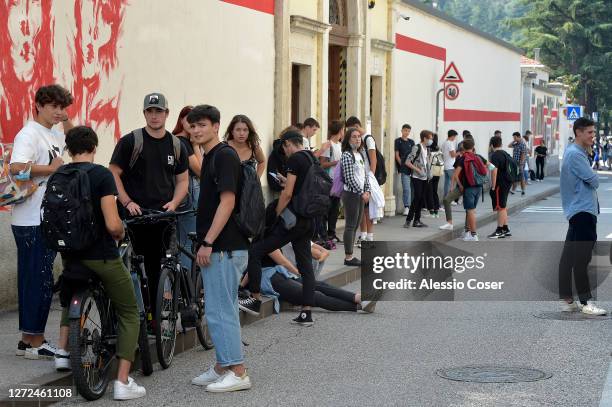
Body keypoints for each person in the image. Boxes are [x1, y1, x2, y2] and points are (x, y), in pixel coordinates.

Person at [55, 126, 145, 400]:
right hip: (101, 255)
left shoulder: (59, 174)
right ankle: (122, 382)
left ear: (69, 149)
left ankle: (62, 352)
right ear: (94, 147)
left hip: (70, 254)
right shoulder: (101, 175)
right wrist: (119, 233)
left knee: (72, 290)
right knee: (129, 312)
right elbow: (112, 223)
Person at [188, 104, 252, 392]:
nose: (197, 130)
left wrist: (208, 242)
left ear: (216, 126)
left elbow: (228, 202)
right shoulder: (212, 156)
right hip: (219, 247)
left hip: (224, 247)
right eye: (193, 125)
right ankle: (222, 366)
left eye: (202, 124)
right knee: (214, 309)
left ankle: (238, 372)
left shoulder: (224, 155)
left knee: (222, 310)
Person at [10, 84, 74, 360]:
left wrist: (65, 117)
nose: (58, 112)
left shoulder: (52, 132)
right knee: (40, 280)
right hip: (32, 220)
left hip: (40, 218)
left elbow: (77, 138)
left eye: (62, 107)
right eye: (53, 106)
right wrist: (51, 169)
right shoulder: (29, 133)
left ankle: (27, 339)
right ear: (38, 105)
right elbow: (16, 167)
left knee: (33, 279)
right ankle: (36, 342)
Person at [109, 92, 189, 310]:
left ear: (167, 114)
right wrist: (126, 202)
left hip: (163, 217)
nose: (154, 116)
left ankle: (155, 317)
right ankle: (135, 315)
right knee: (133, 267)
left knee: (158, 268)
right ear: (144, 113)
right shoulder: (131, 141)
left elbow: (183, 180)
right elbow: (113, 172)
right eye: (150, 111)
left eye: (159, 111)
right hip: (135, 217)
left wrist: (174, 203)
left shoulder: (176, 144)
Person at [240, 130, 316, 326]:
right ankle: (306, 313)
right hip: (308, 219)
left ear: (288, 144)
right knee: (306, 265)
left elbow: (288, 194)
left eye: (285, 147)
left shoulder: (295, 160)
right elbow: (299, 187)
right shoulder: (311, 158)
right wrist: (286, 182)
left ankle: (255, 299)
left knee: (256, 250)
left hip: (292, 220)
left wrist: (275, 214)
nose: (285, 151)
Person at [558, 117, 605, 315]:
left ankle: (568, 300)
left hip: (577, 211)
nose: (593, 136)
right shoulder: (576, 155)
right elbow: (594, 180)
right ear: (578, 132)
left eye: (593, 133)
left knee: (568, 258)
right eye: (590, 133)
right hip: (583, 212)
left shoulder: (574, 152)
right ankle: (586, 303)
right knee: (582, 259)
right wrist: (592, 176)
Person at [241, 248, 377, 314]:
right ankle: (357, 306)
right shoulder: (264, 238)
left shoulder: (271, 236)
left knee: (319, 285)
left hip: (279, 274)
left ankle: (358, 298)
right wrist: (240, 287)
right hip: (271, 280)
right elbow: (280, 261)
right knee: (313, 296)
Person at [172, 105, 204, 270]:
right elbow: (200, 170)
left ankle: (176, 285)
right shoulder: (183, 142)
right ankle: (185, 285)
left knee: (177, 240)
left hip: (174, 192)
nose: (193, 124)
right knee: (187, 239)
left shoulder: (172, 138)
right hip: (187, 190)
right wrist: (197, 146)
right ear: (181, 120)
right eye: (189, 119)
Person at [341, 127, 370, 266]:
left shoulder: (360, 154)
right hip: (351, 194)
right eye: (354, 136)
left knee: (356, 224)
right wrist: (362, 192)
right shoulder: (347, 155)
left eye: (359, 136)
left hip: (360, 194)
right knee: (351, 225)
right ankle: (348, 257)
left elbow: (365, 175)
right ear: (348, 139)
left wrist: (367, 190)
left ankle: (351, 255)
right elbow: (349, 177)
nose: (357, 139)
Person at [346, 116, 377, 244]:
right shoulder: (357, 142)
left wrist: (371, 177)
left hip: (368, 179)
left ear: (356, 126)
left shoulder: (368, 139)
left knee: (368, 209)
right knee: (362, 209)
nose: (354, 136)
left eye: (352, 131)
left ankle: (369, 237)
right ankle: (363, 235)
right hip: (361, 178)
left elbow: (373, 159)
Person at [453, 139, 488, 241]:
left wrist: (460, 185)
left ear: (463, 147)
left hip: (468, 188)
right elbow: (489, 167)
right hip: (478, 186)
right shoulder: (478, 157)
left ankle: (474, 235)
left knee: (470, 211)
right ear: (473, 147)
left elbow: (455, 175)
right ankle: (467, 233)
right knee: (470, 211)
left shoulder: (462, 158)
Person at [319, 120, 344, 243]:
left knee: (335, 209)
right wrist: (336, 162)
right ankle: (323, 235)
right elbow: (322, 164)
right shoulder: (328, 145)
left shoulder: (340, 145)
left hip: (338, 181)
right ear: (340, 131)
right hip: (329, 181)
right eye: (343, 130)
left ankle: (332, 233)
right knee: (326, 209)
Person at [403, 130, 433, 228]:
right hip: (416, 177)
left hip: (425, 178)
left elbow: (427, 162)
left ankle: (417, 220)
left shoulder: (427, 149)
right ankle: (409, 220)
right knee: (417, 198)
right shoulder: (417, 148)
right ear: (424, 138)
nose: (431, 140)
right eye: (430, 138)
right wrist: (418, 170)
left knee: (420, 199)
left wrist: (429, 173)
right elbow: (407, 162)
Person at [487, 135, 513, 239]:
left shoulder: (495, 155)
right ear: (501, 144)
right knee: (503, 206)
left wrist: (493, 186)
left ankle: (499, 230)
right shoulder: (505, 154)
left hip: (500, 184)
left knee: (500, 207)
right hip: (507, 182)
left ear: (492, 145)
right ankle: (506, 229)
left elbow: (494, 171)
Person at [225, 114, 266, 178]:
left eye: (245, 130)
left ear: (249, 132)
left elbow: (262, 162)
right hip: (227, 186)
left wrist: (256, 179)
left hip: (249, 187)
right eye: (238, 130)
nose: (241, 133)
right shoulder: (224, 147)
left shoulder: (254, 147)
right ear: (232, 131)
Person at [395, 124, 415, 215]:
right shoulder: (398, 141)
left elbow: (414, 155)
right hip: (404, 169)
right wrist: (402, 165)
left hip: (413, 168)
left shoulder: (412, 142)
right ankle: (407, 207)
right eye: (405, 130)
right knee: (406, 188)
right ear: (402, 130)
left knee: (413, 188)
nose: (406, 132)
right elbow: (397, 155)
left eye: (408, 131)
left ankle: (413, 206)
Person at [426, 133, 443, 218]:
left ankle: (431, 212)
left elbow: (427, 161)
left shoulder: (429, 149)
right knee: (434, 191)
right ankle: (436, 210)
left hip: (431, 172)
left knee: (429, 191)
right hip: (438, 172)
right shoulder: (438, 148)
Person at [441, 129, 458, 199]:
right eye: (455, 136)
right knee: (454, 183)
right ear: (452, 136)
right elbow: (453, 155)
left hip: (446, 165)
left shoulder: (444, 143)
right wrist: (459, 153)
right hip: (450, 166)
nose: (455, 138)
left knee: (447, 183)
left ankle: (446, 198)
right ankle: (450, 199)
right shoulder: (450, 143)